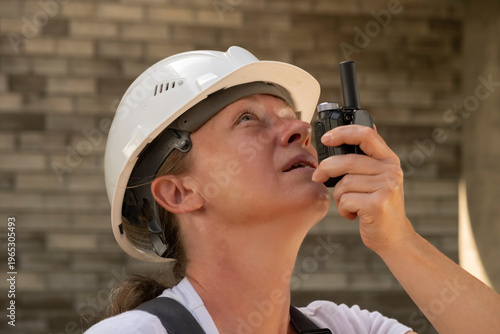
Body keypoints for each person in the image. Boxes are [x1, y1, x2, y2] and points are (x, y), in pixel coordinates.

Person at [86, 46, 500, 334]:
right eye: (248, 119)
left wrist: (399, 240)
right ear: (179, 193)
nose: (302, 130)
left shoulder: (345, 328)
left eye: (292, 116)